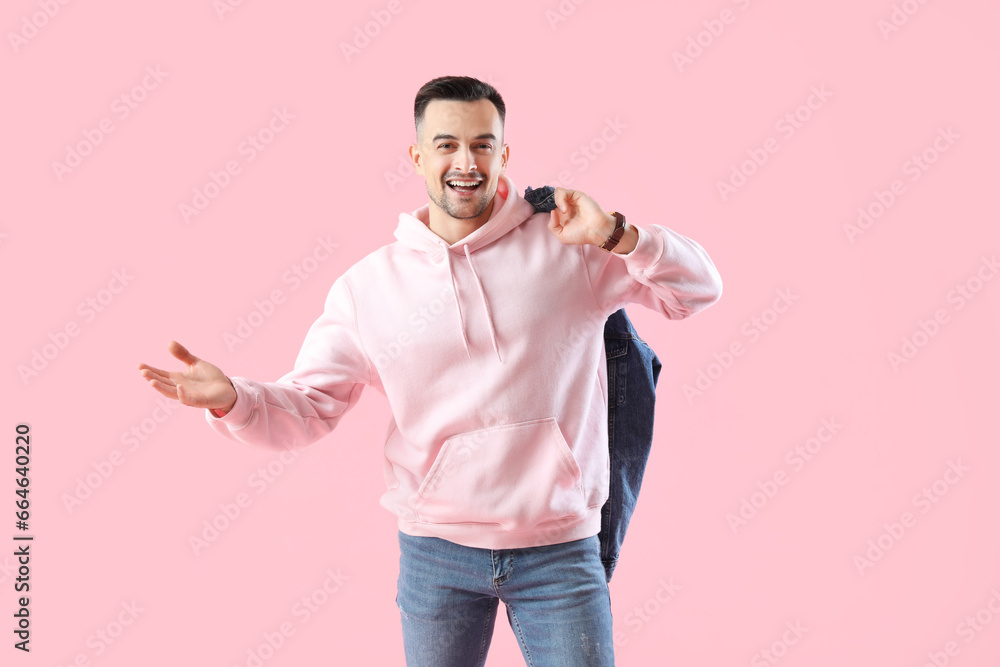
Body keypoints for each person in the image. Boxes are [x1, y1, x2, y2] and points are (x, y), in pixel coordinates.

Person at [138, 75, 723, 666]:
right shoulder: (370, 288)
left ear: (503, 154)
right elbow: (310, 406)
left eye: (481, 145)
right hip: (436, 554)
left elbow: (697, 291)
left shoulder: (571, 247)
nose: (465, 162)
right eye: (446, 145)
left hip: (558, 548)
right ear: (417, 157)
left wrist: (613, 233)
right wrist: (233, 399)